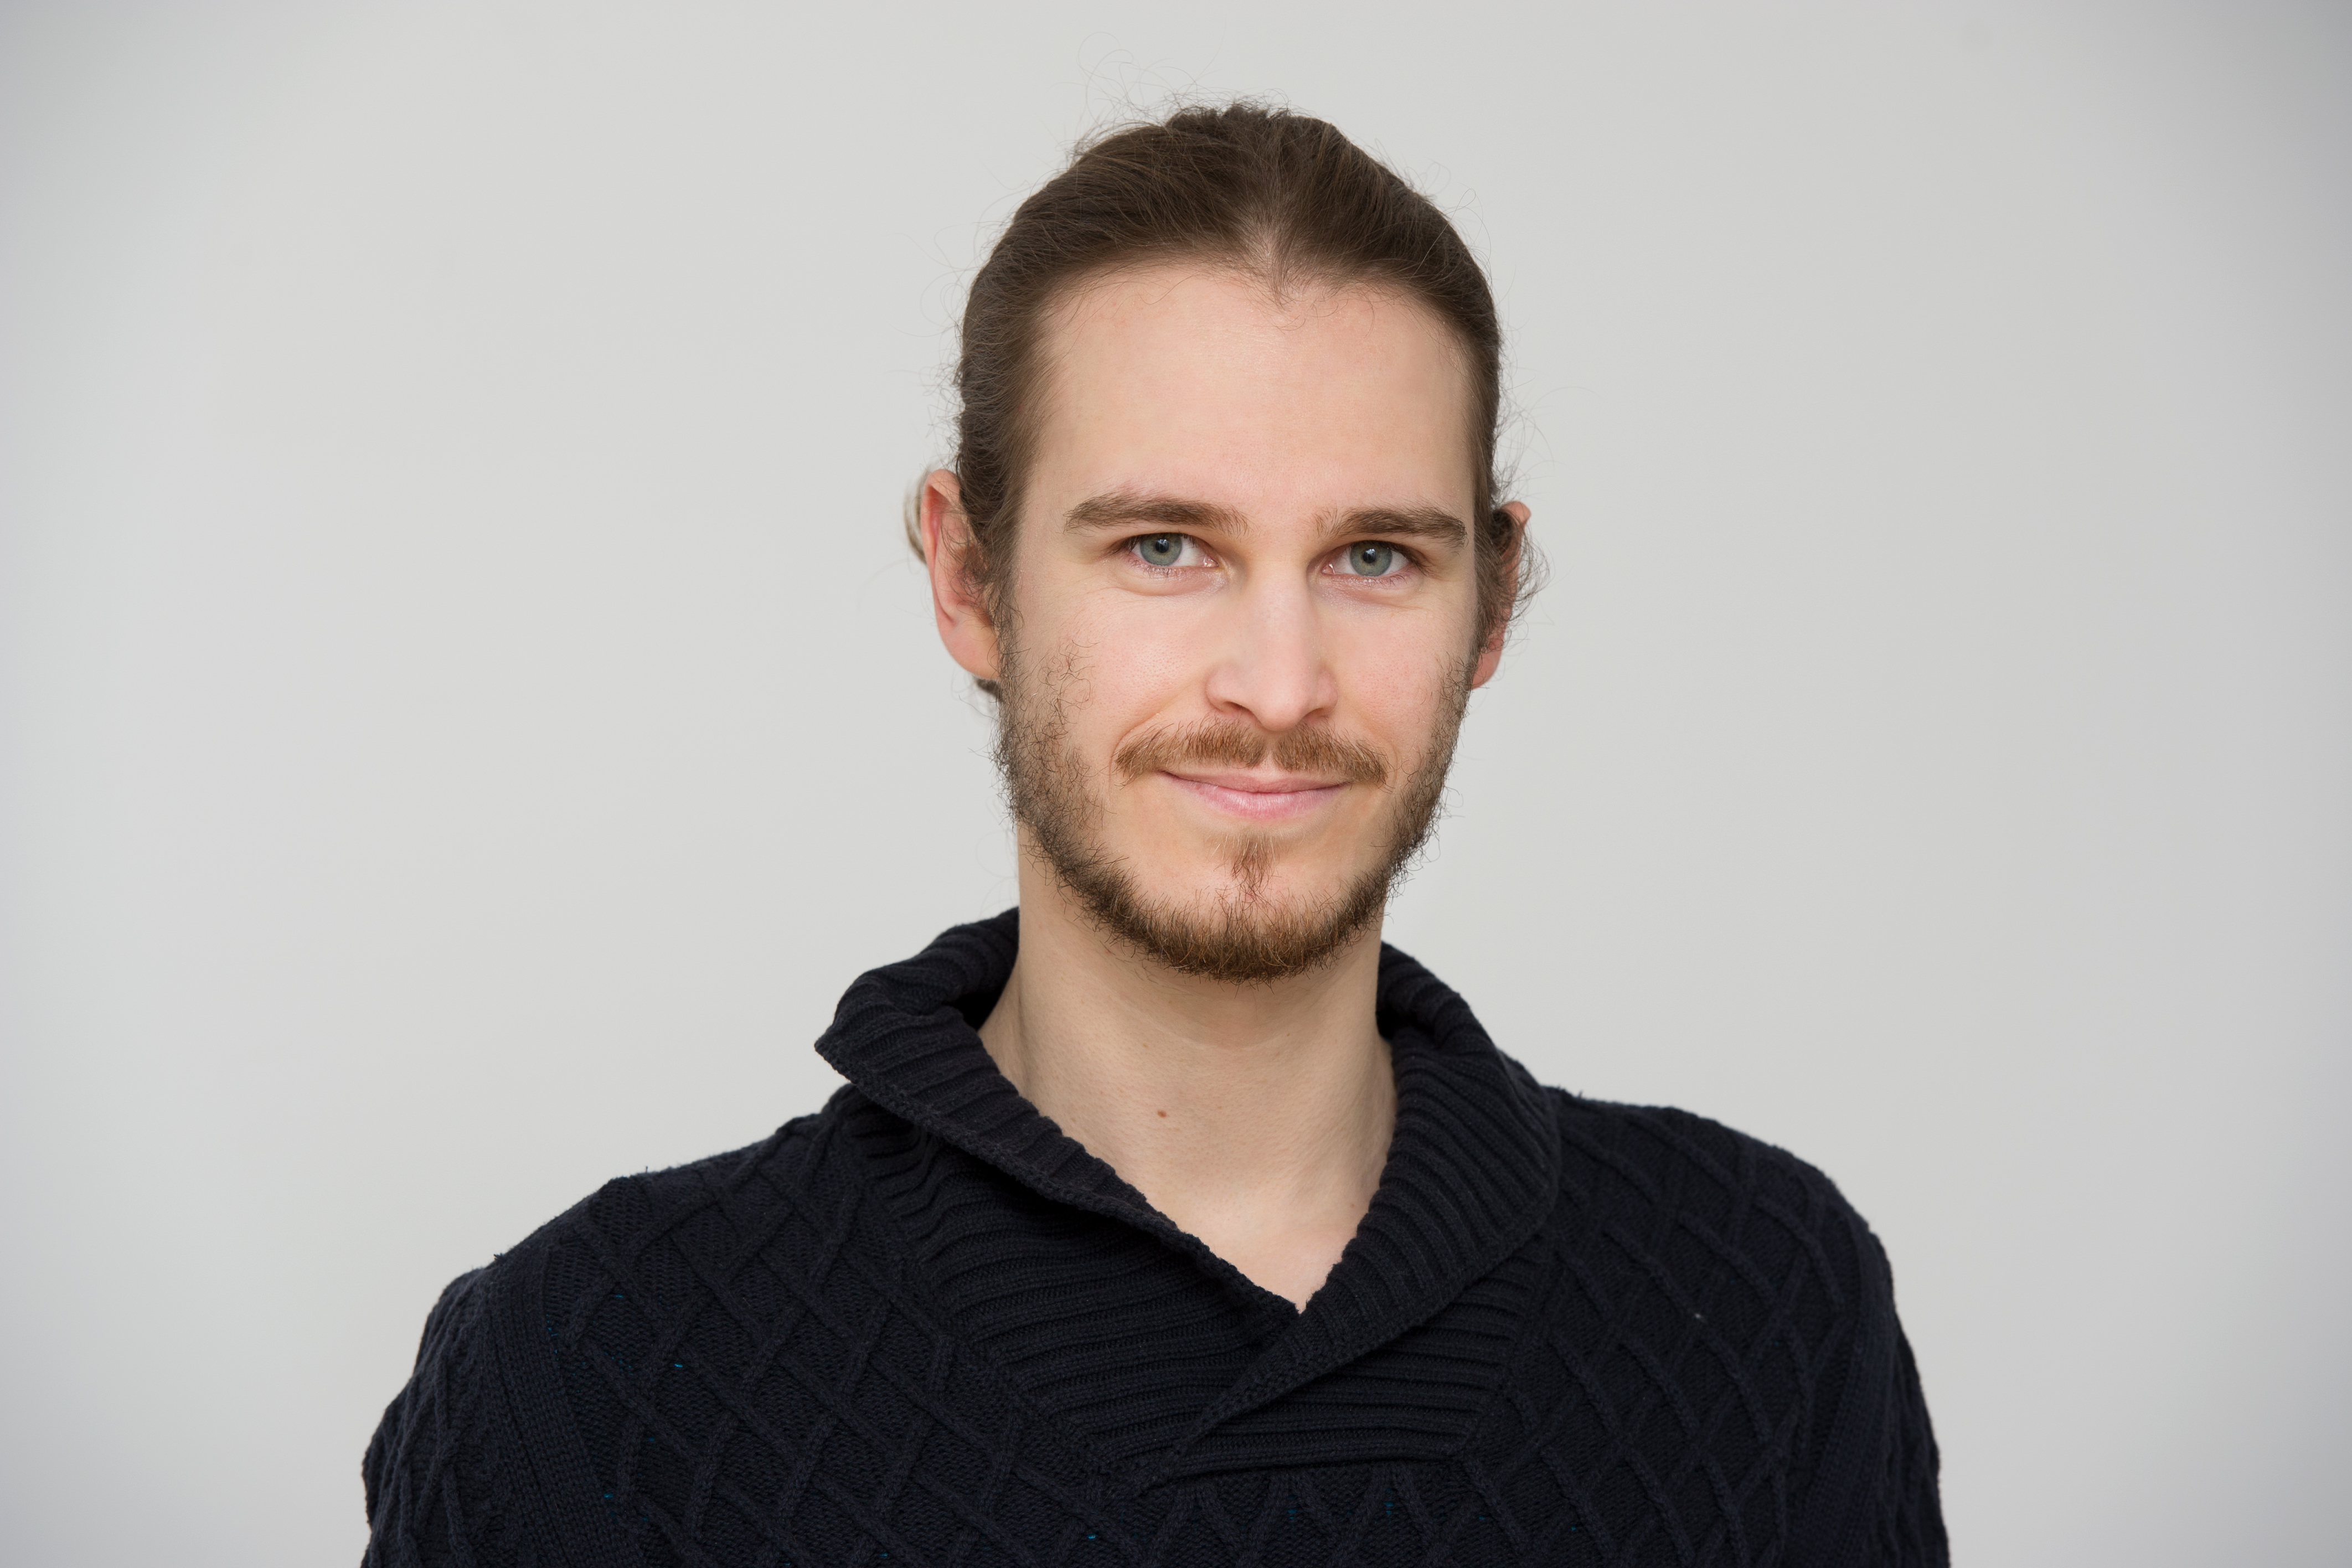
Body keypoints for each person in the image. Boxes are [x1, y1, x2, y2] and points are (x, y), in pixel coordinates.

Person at [360, 102, 1946, 1567]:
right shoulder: (587, 1376)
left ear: (1491, 603)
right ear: (970, 579)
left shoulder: (1770, 1306)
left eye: (1375, 557)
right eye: (1166, 546)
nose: (1279, 687)